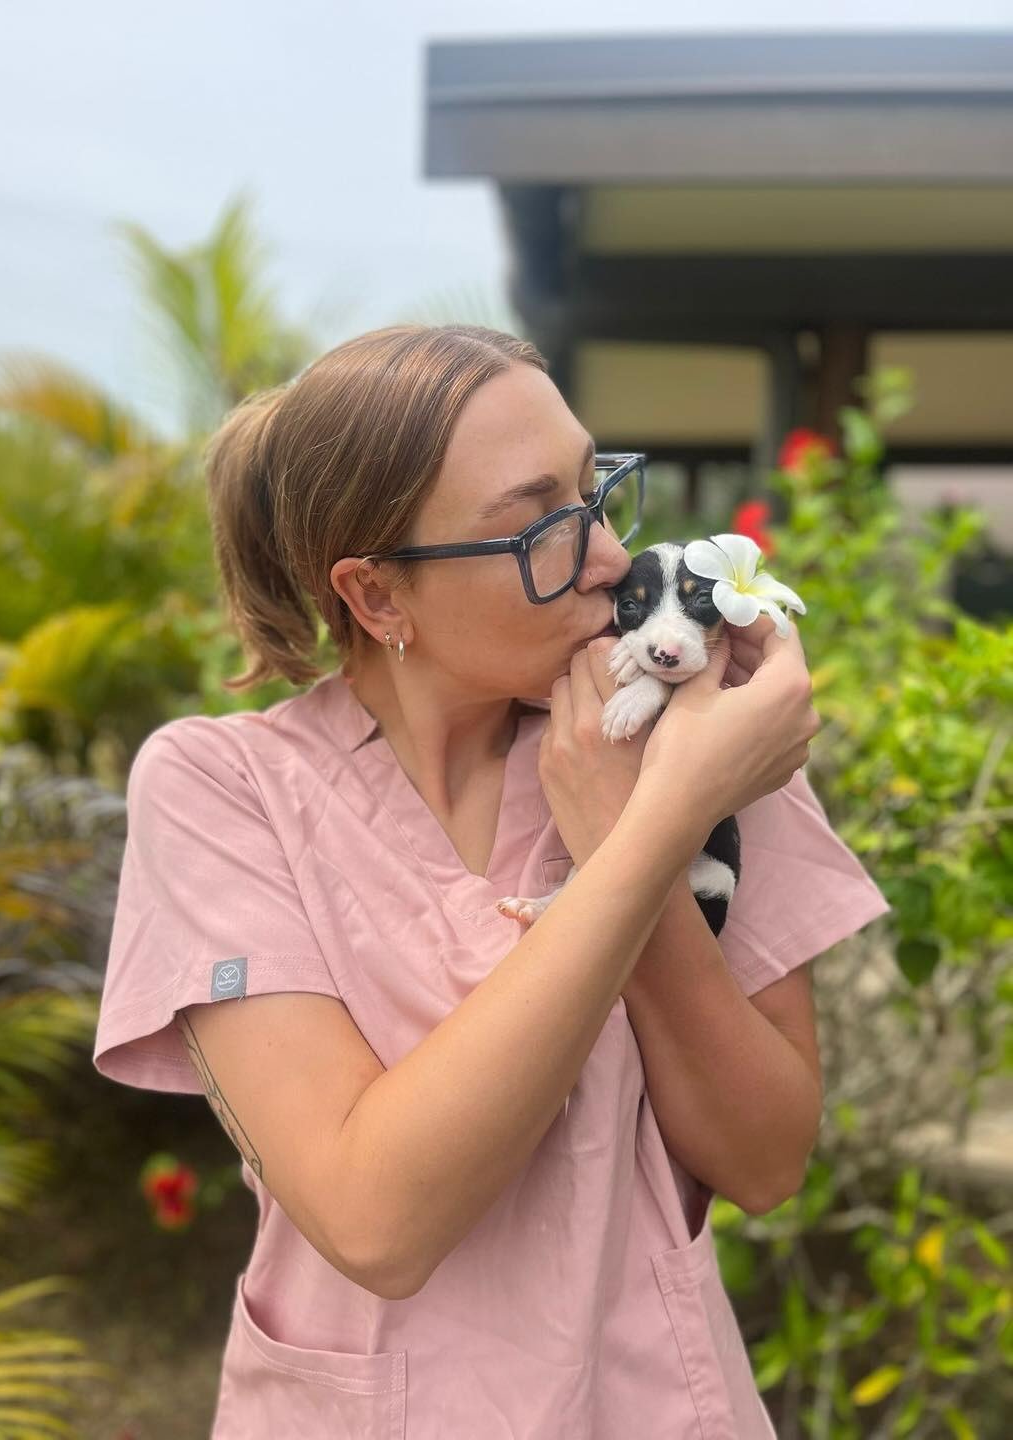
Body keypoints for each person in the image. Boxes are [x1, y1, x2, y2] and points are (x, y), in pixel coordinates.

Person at [93, 323, 890, 1438]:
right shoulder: (223, 788)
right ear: (376, 598)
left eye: (596, 492)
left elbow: (763, 1161)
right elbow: (377, 1216)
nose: (610, 558)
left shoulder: (696, 718)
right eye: (542, 530)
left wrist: (640, 818)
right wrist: (654, 831)